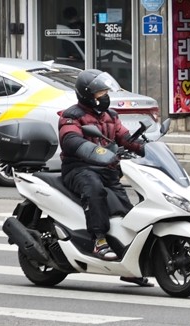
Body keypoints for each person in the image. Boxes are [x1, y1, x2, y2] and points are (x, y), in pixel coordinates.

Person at [59, 68, 146, 268]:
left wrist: (145, 147)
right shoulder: (71, 116)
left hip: (107, 168)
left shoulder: (110, 116)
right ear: (87, 95)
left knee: (125, 207)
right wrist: (98, 152)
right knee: (94, 189)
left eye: (106, 92)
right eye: (100, 93)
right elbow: (71, 140)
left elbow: (124, 136)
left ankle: (129, 260)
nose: (105, 96)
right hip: (79, 169)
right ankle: (99, 240)